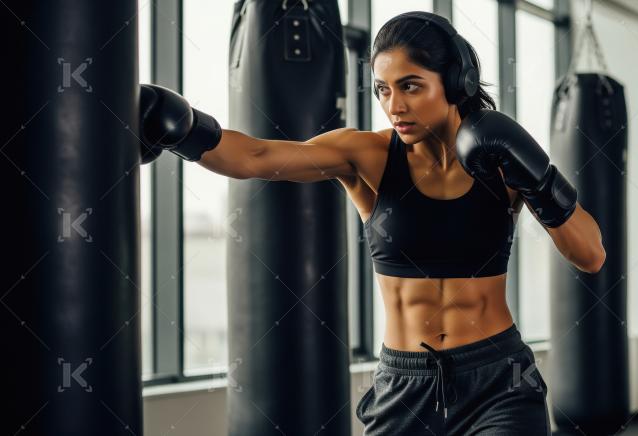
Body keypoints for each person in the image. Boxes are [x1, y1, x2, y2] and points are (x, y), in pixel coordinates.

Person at [139, 11, 605, 435]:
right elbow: (255, 156)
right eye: (383, 89)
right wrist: (183, 126)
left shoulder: (500, 158)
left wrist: (540, 180)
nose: (394, 105)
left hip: (498, 382)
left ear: (455, 81)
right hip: (404, 387)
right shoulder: (368, 156)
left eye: (411, 86)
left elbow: (590, 255)